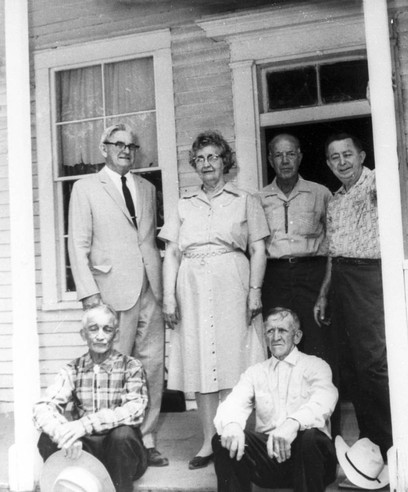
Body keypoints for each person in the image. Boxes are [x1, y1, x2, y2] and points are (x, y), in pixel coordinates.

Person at [159, 130, 268, 469]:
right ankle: (208, 441)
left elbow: (258, 248)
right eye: (201, 158)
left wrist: (254, 291)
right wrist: (169, 298)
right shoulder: (183, 205)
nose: (207, 164)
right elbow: (172, 253)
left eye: (213, 157)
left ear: (225, 162)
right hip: (191, 285)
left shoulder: (244, 199)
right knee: (201, 361)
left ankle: (235, 436)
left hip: (232, 281)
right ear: (195, 164)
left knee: (235, 359)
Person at [68, 123, 167, 466]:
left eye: (132, 146)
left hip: (149, 289)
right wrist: (89, 295)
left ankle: (147, 438)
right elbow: (78, 244)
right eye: (118, 144)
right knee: (115, 368)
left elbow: (148, 240)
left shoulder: (147, 187)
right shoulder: (85, 188)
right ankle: (114, 442)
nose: (126, 150)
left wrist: (162, 290)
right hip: (109, 292)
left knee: (152, 366)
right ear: (104, 149)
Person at [314, 132, 393, 461]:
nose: (342, 162)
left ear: (362, 155)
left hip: (369, 276)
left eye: (348, 154)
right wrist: (323, 294)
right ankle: (370, 440)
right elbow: (334, 252)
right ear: (329, 164)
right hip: (342, 279)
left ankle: (391, 444)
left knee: (374, 364)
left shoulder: (377, 184)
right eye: (335, 157)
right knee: (355, 366)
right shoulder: (334, 200)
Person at [212, 307, 338, 492]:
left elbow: (324, 399)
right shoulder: (255, 372)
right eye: (270, 331)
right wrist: (232, 424)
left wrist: (292, 423)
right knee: (223, 438)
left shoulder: (316, 365)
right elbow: (234, 401)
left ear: (297, 336)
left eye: (282, 330)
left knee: (310, 439)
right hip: (270, 459)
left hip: (311, 461)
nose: (275, 336)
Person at [33, 304, 149, 492]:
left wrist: (84, 424)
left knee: (122, 436)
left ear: (116, 335)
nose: (100, 335)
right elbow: (43, 407)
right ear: (83, 334)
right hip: (82, 451)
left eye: (107, 329)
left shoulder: (131, 366)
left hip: (121, 453)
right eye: (93, 329)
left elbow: (134, 409)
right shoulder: (73, 369)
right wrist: (63, 434)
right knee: (48, 438)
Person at [258, 134, 332, 363]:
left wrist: (325, 289)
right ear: (270, 160)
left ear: (299, 156)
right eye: (278, 155)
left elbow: (333, 244)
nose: (285, 160)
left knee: (317, 335)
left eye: (290, 154)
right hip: (274, 276)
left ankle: (326, 397)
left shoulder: (320, 193)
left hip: (312, 273)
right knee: (278, 337)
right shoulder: (258, 199)